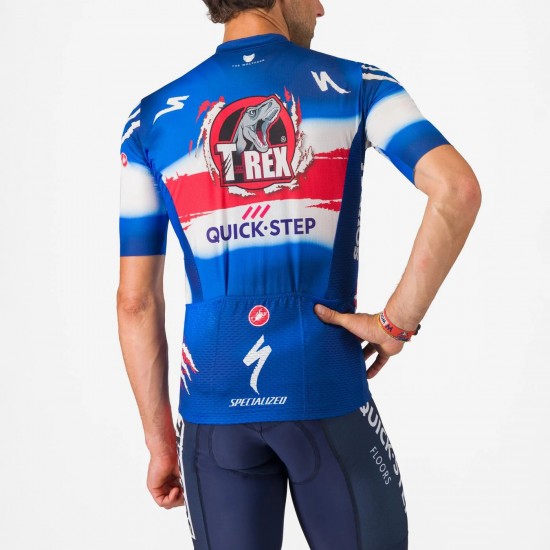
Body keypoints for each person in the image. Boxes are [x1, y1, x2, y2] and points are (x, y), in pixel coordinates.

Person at [116, 1, 481, 548]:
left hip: (212, 406)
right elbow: (456, 189)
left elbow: (135, 302)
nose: (322, 8)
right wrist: (395, 323)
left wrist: (159, 441)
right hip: (324, 387)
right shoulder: (357, 86)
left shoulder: (150, 121)